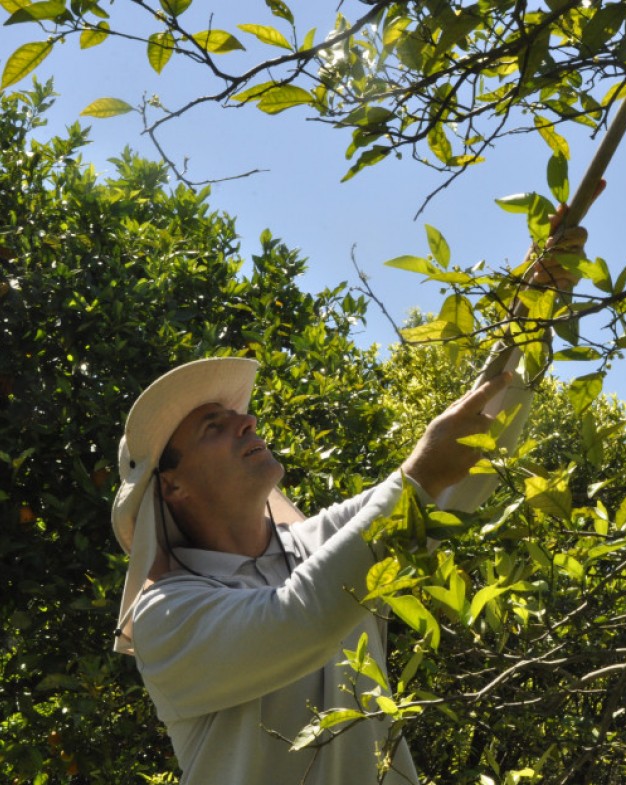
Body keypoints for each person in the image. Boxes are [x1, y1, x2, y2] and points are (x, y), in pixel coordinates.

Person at [110, 219, 588, 785]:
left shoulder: (317, 542)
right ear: (172, 486)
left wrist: (531, 322)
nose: (247, 422)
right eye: (215, 425)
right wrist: (417, 475)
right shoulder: (166, 613)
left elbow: (460, 476)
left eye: (239, 414)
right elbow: (299, 620)